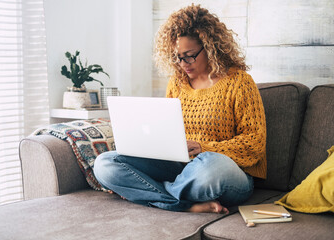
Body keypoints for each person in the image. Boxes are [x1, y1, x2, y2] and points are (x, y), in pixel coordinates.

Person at [94, 4, 266, 213]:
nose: (183, 63)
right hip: (180, 167)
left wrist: (204, 148)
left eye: (189, 55)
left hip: (224, 172)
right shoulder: (177, 83)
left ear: (210, 47)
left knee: (210, 166)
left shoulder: (239, 82)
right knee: (105, 164)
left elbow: (254, 143)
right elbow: (168, 130)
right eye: (177, 57)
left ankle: (156, 195)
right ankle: (186, 204)